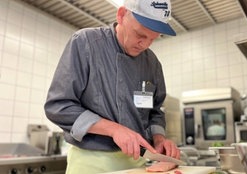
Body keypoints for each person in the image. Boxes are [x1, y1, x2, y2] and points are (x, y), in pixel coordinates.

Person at [44, 0, 180, 173]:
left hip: (136, 164)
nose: (145, 45)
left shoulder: (152, 63)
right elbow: (58, 106)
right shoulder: (86, 42)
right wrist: (114, 129)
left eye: (153, 39)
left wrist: (159, 139)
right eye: (140, 35)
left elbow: (155, 112)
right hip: (90, 162)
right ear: (121, 15)